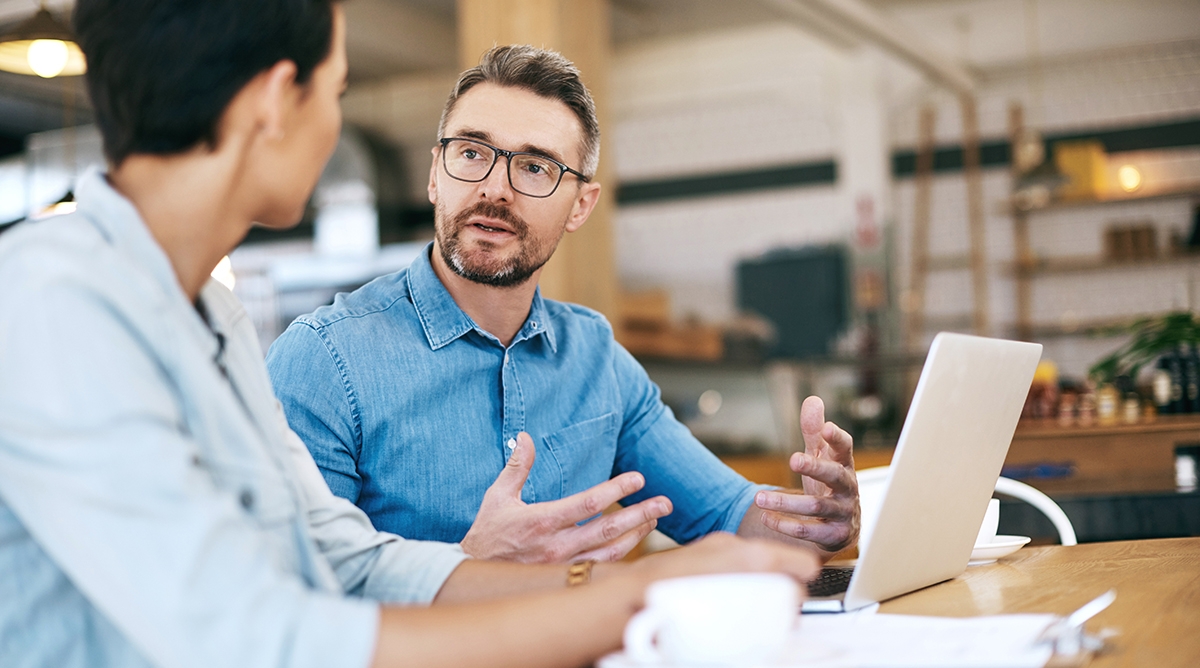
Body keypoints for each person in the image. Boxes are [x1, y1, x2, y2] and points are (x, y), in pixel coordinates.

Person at [0, 2, 822, 667]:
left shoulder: (208, 314)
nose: (334, 126)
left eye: (535, 167)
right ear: (275, 102)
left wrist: (611, 577)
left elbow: (345, 560)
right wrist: (639, 598)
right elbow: (256, 637)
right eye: (337, 89)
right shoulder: (48, 300)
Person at [266, 44, 861, 564]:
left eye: (534, 167)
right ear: (434, 175)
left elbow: (730, 516)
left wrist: (815, 523)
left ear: (580, 205)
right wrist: (469, 564)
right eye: (471, 153)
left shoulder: (595, 357)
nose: (494, 188)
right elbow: (287, 602)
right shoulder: (323, 361)